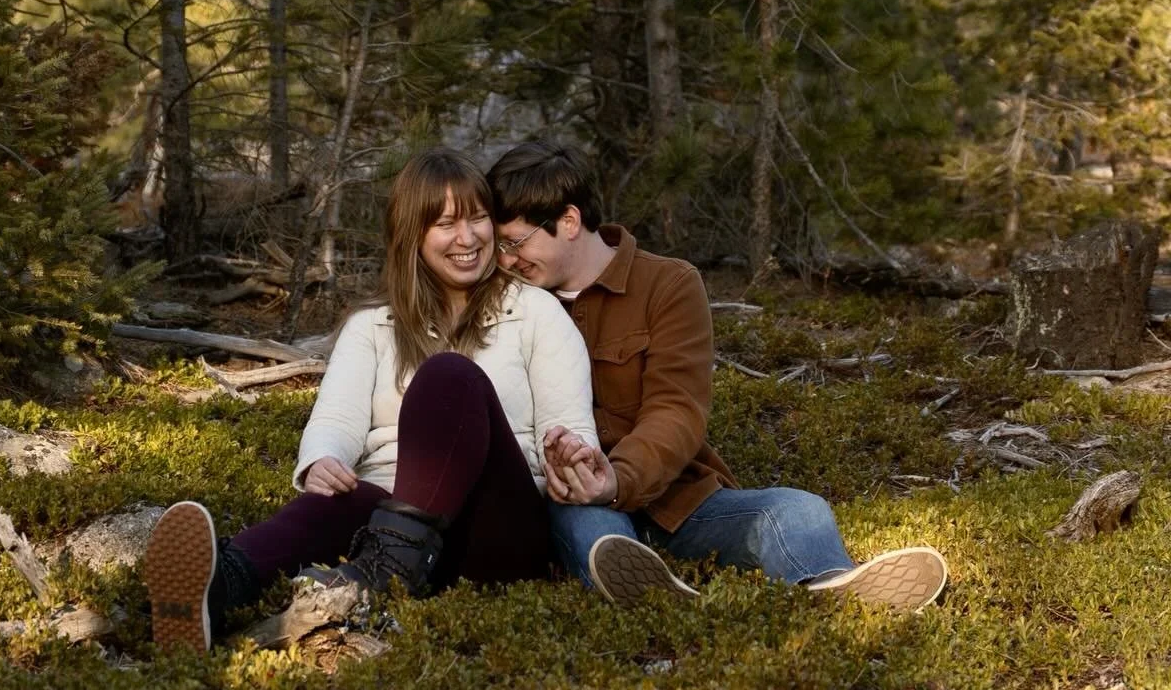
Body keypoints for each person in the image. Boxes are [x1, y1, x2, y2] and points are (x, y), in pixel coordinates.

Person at [142, 147, 601, 652]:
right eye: (446, 223)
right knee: (345, 494)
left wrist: (567, 451)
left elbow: (571, 428)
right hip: (390, 520)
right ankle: (218, 589)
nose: (468, 238)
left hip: (499, 534)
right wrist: (322, 459)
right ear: (413, 234)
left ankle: (386, 571)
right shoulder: (373, 327)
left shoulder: (537, 313)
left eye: (478, 218)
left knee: (450, 376)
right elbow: (337, 418)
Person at [487, 141, 948, 613]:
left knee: (797, 509)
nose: (505, 261)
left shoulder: (667, 285)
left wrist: (618, 480)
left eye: (516, 243)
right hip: (576, 504)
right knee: (595, 534)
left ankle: (833, 589)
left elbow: (678, 410)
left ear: (567, 222)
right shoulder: (508, 303)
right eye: (499, 246)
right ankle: (659, 602)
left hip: (676, 501)